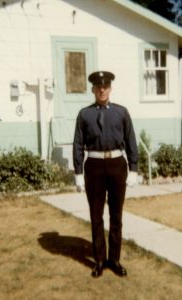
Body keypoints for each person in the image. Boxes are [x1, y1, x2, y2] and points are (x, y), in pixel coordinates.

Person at [73, 71, 138, 278]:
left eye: (106, 86)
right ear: (93, 89)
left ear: (110, 88)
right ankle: (100, 260)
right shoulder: (84, 114)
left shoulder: (122, 112)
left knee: (116, 216)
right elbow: (77, 145)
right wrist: (78, 172)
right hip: (94, 167)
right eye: (98, 87)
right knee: (96, 215)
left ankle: (114, 259)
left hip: (118, 165)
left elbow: (131, 141)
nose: (102, 90)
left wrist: (134, 168)